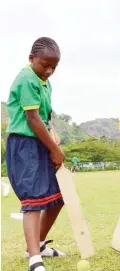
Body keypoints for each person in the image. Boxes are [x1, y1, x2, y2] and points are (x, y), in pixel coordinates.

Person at [6, 37, 66, 271]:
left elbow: (44, 117)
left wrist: (53, 137)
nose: (49, 71)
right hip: (24, 146)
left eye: (54, 67)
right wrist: (55, 150)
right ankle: (34, 260)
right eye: (45, 65)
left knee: (57, 198)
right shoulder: (27, 78)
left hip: (42, 142)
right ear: (31, 59)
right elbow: (32, 119)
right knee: (32, 201)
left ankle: (39, 245)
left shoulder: (43, 81)